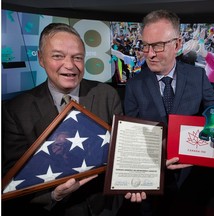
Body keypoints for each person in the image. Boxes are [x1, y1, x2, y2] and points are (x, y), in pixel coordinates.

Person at [122, 9, 214, 215]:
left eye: (158, 46)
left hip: (190, 180)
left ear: (177, 44)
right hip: (151, 177)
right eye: (145, 45)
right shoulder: (134, 84)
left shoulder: (197, 76)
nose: (150, 54)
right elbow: (130, 134)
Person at [2, 23, 124, 216]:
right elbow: (12, 174)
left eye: (77, 57)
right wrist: (53, 195)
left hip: (106, 208)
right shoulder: (16, 110)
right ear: (41, 59)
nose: (70, 65)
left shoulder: (107, 95)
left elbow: (122, 152)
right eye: (58, 56)